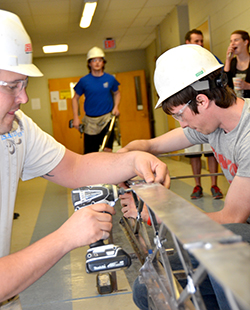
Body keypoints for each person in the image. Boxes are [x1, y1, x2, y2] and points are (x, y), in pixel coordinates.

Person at [0, 10, 169, 307]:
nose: (24, 98)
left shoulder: (17, 128)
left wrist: (134, 160)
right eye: (13, 86)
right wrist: (65, 238)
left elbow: (75, 166)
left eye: (24, 84)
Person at [119, 44, 250, 309]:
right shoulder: (214, 124)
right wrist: (131, 153)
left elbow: (231, 219)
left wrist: (155, 215)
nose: (183, 124)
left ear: (201, 100)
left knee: (221, 243)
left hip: (239, 235)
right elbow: (154, 144)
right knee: (149, 288)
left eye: (180, 115)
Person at [184, 29, 223, 200]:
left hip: (208, 111)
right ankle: (197, 185)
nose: (200, 44)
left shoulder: (211, 60)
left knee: (211, 151)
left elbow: (222, 76)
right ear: (187, 43)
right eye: (196, 41)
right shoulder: (181, 63)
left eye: (201, 41)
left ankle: (214, 184)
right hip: (190, 111)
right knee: (194, 153)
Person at [72, 46, 120, 154]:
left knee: (107, 150)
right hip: (90, 122)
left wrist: (116, 107)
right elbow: (75, 98)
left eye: (100, 60)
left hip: (107, 119)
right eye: (94, 60)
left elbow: (117, 93)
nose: (97, 63)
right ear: (89, 63)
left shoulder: (110, 79)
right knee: (90, 153)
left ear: (103, 62)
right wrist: (76, 117)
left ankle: (108, 170)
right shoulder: (84, 81)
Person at [224, 30, 250, 98]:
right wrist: (228, 60)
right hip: (237, 103)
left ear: (245, 42)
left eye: (236, 40)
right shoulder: (232, 62)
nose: (232, 44)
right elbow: (224, 82)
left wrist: (247, 86)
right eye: (231, 41)